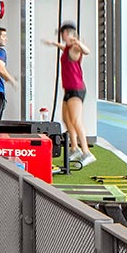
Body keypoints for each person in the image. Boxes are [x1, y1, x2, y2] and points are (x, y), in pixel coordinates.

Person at [43, 23, 94, 168]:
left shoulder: (75, 48)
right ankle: (74, 148)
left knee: (76, 120)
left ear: (68, 33)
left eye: (62, 33)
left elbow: (87, 51)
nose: (61, 36)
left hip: (77, 89)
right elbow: (63, 47)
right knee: (67, 120)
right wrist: (54, 43)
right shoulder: (67, 49)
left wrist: (78, 42)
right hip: (68, 89)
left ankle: (86, 152)